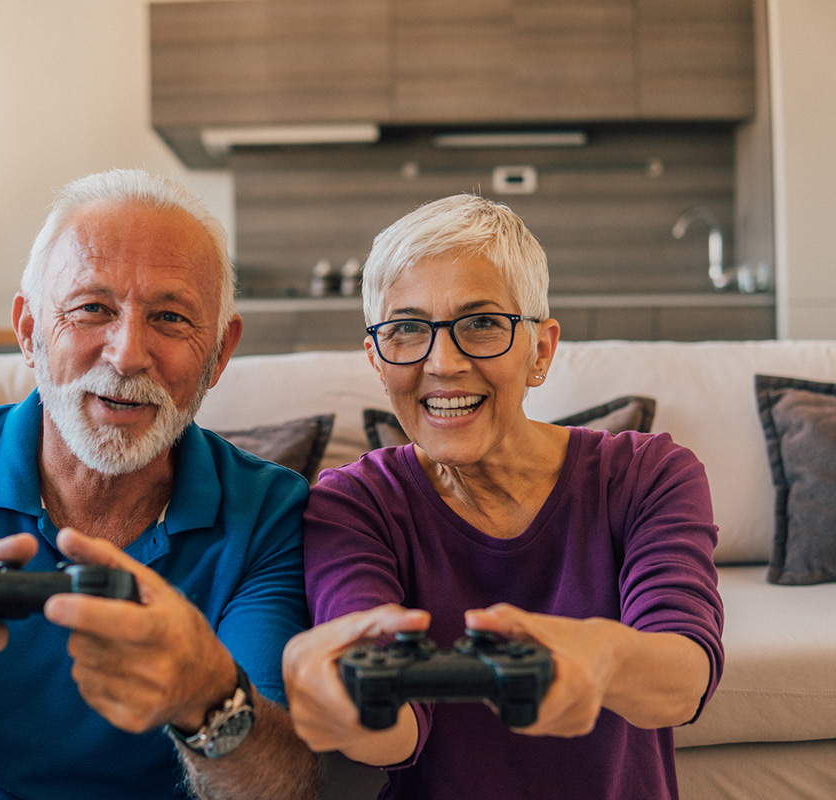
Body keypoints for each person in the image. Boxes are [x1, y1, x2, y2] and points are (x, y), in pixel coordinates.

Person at [0, 168, 320, 800]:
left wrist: (211, 696)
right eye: (92, 309)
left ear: (220, 352)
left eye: (170, 317)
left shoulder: (270, 510)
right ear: (28, 331)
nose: (128, 353)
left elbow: (282, 789)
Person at [282, 194, 724, 800]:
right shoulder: (354, 504)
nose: (444, 363)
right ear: (378, 362)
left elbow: (684, 679)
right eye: (407, 329)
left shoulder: (647, 475)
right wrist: (348, 706)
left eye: (482, 323)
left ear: (540, 350)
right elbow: (398, 731)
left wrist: (601, 659)